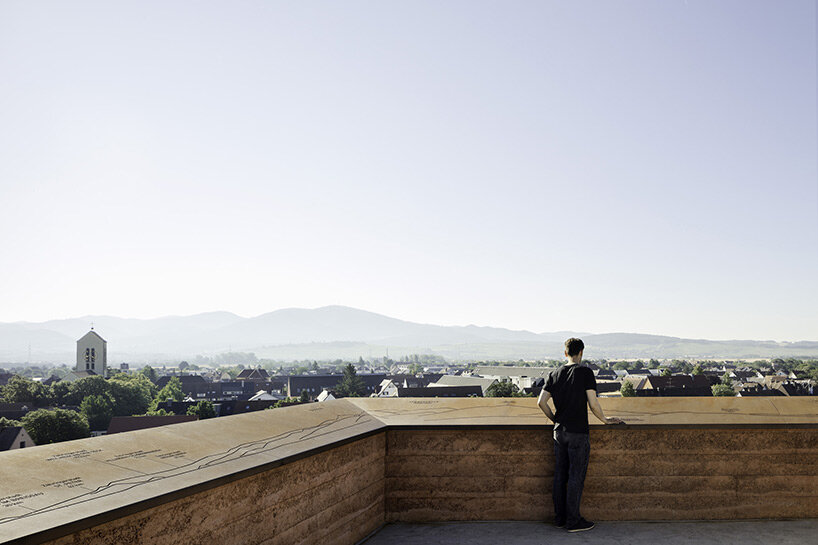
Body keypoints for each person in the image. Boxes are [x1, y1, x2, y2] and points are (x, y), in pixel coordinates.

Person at [537, 337, 623, 533]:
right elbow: (593, 404)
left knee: (560, 476)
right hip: (578, 432)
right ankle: (573, 521)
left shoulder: (554, 374)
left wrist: (554, 419)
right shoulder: (585, 372)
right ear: (581, 353)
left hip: (559, 432)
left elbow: (541, 403)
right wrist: (605, 420)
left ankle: (559, 518)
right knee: (575, 477)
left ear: (565, 353)